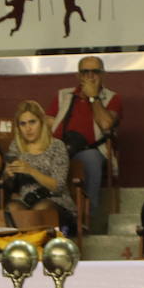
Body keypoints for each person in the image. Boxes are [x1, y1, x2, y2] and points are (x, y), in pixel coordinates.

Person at [49, 56, 120, 218]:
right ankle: (53, 212)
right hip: (59, 147)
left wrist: (93, 97)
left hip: (91, 150)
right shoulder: (63, 95)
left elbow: (106, 125)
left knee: (91, 158)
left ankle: (88, 216)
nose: (90, 76)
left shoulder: (112, 98)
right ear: (78, 75)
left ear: (103, 75)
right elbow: (48, 124)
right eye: (85, 72)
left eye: (95, 71)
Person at [6, 99, 74, 230]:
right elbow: (10, 187)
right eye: (23, 124)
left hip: (55, 201)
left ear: (42, 122)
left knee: (40, 208)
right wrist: (8, 175)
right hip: (26, 201)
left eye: (32, 122)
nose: (28, 128)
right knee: (12, 207)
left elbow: (58, 186)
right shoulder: (16, 147)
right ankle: (23, 246)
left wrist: (31, 171)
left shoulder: (56, 146)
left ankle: (36, 245)